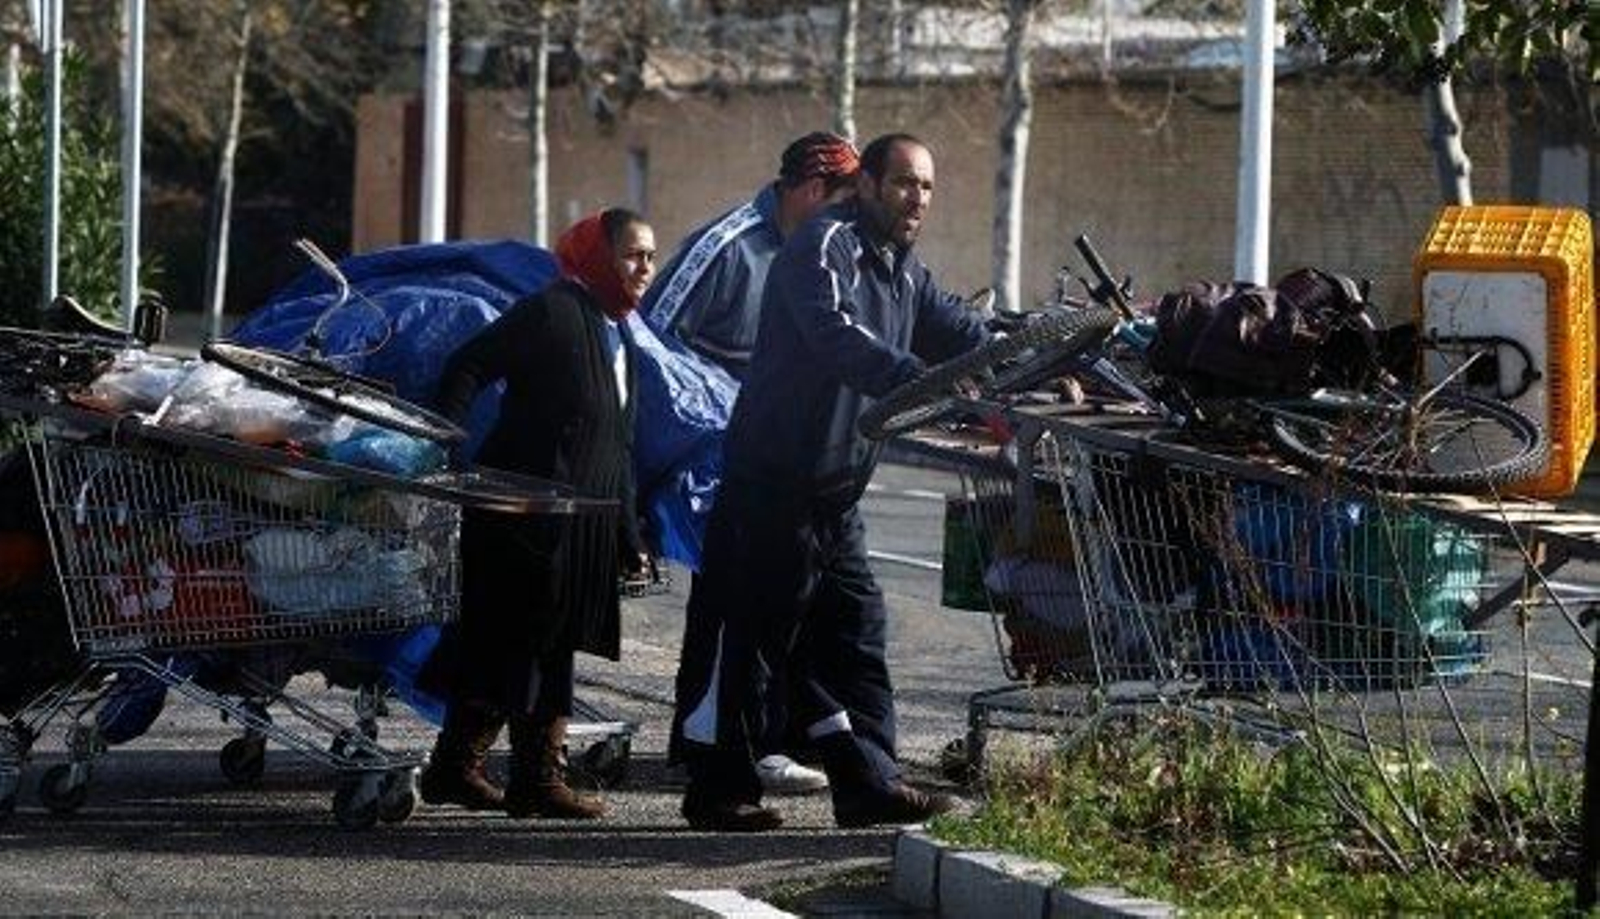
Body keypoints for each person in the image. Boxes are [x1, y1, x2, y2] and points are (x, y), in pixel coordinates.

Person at [670, 133, 990, 831]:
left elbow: (959, 327)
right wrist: (919, 380)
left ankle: (869, 783)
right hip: (773, 483)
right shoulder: (822, 246)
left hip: (836, 493)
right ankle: (718, 787)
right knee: (754, 639)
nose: (917, 199)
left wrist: (1021, 361)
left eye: (927, 187)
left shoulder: (904, 270)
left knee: (856, 633)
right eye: (904, 182)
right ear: (867, 184)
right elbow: (834, 333)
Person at [643, 131, 862, 796]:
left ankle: (761, 736)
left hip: (794, 457)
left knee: (793, 602)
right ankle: (721, 744)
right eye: (846, 203)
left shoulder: (831, 251)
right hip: (717, 454)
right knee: (735, 603)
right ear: (813, 191)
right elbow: (649, 338)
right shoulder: (728, 247)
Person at [419, 207, 655, 820]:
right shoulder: (552, 311)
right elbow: (469, 364)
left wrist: (629, 533)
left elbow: (617, 445)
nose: (645, 268)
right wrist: (445, 444)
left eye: (651, 257)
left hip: (580, 524)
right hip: (525, 516)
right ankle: (526, 777)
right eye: (633, 254)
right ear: (598, 257)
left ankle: (462, 768)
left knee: (541, 646)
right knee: (521, 645)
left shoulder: (620, 334)